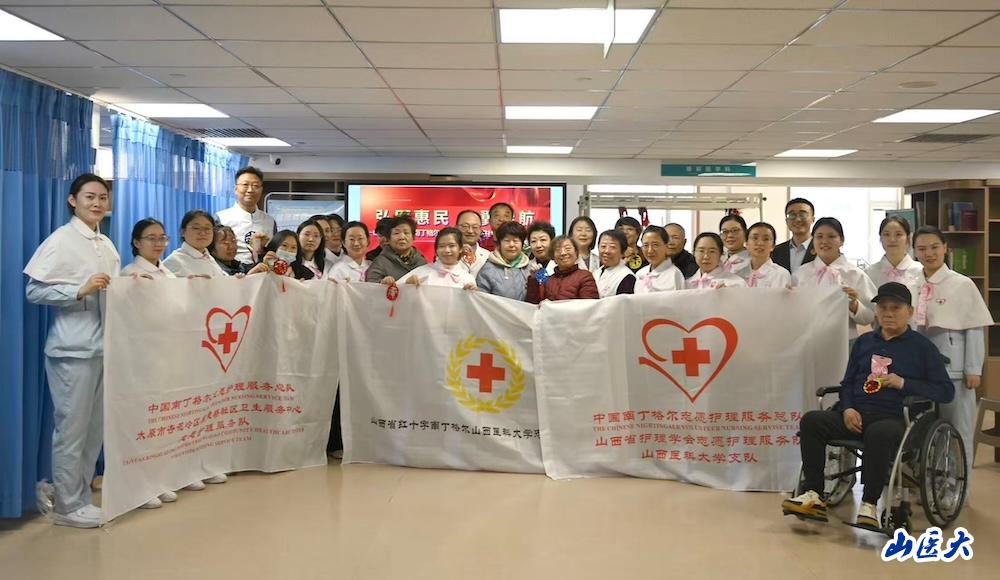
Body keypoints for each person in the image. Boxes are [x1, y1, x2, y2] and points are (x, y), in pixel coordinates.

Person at [782, 282, 953, 530]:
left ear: (910, 311)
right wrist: (848, 409)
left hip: (895, 418)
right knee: (812, 420)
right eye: (883, 307)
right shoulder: (864, 343)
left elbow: (945, 391)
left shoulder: (922, 347)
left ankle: (869, 504)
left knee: (879, 432)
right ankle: (814, 495)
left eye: (895, 308)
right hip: (856, 414)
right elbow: (848, 383)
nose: (888, 313)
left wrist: (903, 383)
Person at [24, 174, 120, 528]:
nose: (97, 203)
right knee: (71, 431)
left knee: (93, 431)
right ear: (72, 200)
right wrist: (78, 290)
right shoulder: (61, 240)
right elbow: (34, 291)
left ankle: (81, 499)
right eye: (89, 196)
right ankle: (67, 505)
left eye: (102, 197)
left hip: (103, 348)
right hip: (72, 348)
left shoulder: (105, 243)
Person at [912, 226, 994, 487]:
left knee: (958, 429)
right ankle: (931, 484)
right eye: (922, 248)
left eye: (934, 247)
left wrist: (974, 368)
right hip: (920, 371)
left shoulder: (962, 284)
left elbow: (975, 327)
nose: (929, 253)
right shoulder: (912, 284)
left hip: (955, 368)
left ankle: (958, 488)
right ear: (915, 252)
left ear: (945, 248)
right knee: (926, 430)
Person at [791, 217, 876, 342]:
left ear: (841, 240)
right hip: (808, 341)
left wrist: (854, 304)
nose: (824, 241)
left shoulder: (855, 274)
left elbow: (869, 317)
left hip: (845, 342)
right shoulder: (801, 274)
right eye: (819, 236)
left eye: (831, 236)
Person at [216, 166, 276, 265]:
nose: (250, 190)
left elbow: (273, 252)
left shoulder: (270, 221)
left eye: (255, 185)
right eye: (245, 184)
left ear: (261, 189)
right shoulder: (221, 218)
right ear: (235, 189)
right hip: (230, 271)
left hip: (263, 270)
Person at [865, 216, 923, 305]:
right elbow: (867, 307)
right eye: (886, 234)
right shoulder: (869, 273)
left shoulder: (921, 271)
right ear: (880, 238)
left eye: (898, 234)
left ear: (908, 238)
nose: (892, 240)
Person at [396, 227, 476, 289]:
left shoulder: (467, 279)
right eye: (442, 246)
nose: (447, 250)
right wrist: (407, 285)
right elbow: (394, 293)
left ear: (460, 248)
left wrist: (471, 294)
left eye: (451, 246)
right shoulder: (421, 272)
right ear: (436, 250)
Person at [526, 235, 599, 303]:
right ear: (553, 257)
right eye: (558, 250)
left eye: (568, 249)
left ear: (576, 253)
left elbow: (590, 306)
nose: (563, 253)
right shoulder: (548, 280)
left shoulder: (585, 276)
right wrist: (533, 279)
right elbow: (534, 304)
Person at [163, 210, 229, 278]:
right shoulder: (174, 261)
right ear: (183, 232)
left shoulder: (209, 258)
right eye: (196, 228)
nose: (203, 233)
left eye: (207, 228)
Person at [476, 221, 530, 301]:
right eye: (507, 240)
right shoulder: (487, 270)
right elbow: (481, 301)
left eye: (516, 241)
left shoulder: (530, 269)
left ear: (522, 244)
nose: (511, 245)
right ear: (499, 244)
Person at [366, 215, 428, 283]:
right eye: (396, 233)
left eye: (406, 233)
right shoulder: (380, 262)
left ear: (413, 237)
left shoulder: (421, 261)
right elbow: (370, 285)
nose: (402, 237)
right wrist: (382, 283)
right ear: (388, 239)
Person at [634, 226, 684, 294]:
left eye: (655, 245)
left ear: (666, 246)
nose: (650, 250)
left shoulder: (675, 275)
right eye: (645, 245)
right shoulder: (640, 274)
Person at [773, 197, 816, 274]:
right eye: (792, 215)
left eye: (803, 214)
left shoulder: (822, 250)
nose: (798, 219)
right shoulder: (776, 252)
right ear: (786, 221)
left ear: (813, 219)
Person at [746, 222, 791, 289]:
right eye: (755, 238)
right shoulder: (737, 271)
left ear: (773, 246)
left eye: (766, 239)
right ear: (746, 244)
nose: (760, 243)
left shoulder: (781, 274)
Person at [596, 229, 637, 297]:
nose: (606, 251)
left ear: (622, 252)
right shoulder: (596, 273)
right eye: (603, 246)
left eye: (612, 247)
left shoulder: (627, 277)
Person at [455, 209, 491, 278]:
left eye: (475, 227)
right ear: (456, 228)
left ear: (480, 230)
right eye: (465, 226)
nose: (470, 231)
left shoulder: (488, 256)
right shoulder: (448, 254)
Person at [719, 214, 751, 280]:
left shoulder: (753, 260)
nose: (730, 235)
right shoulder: (718, 258)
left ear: (745, 233)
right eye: (725, 232)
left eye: (735, 231)